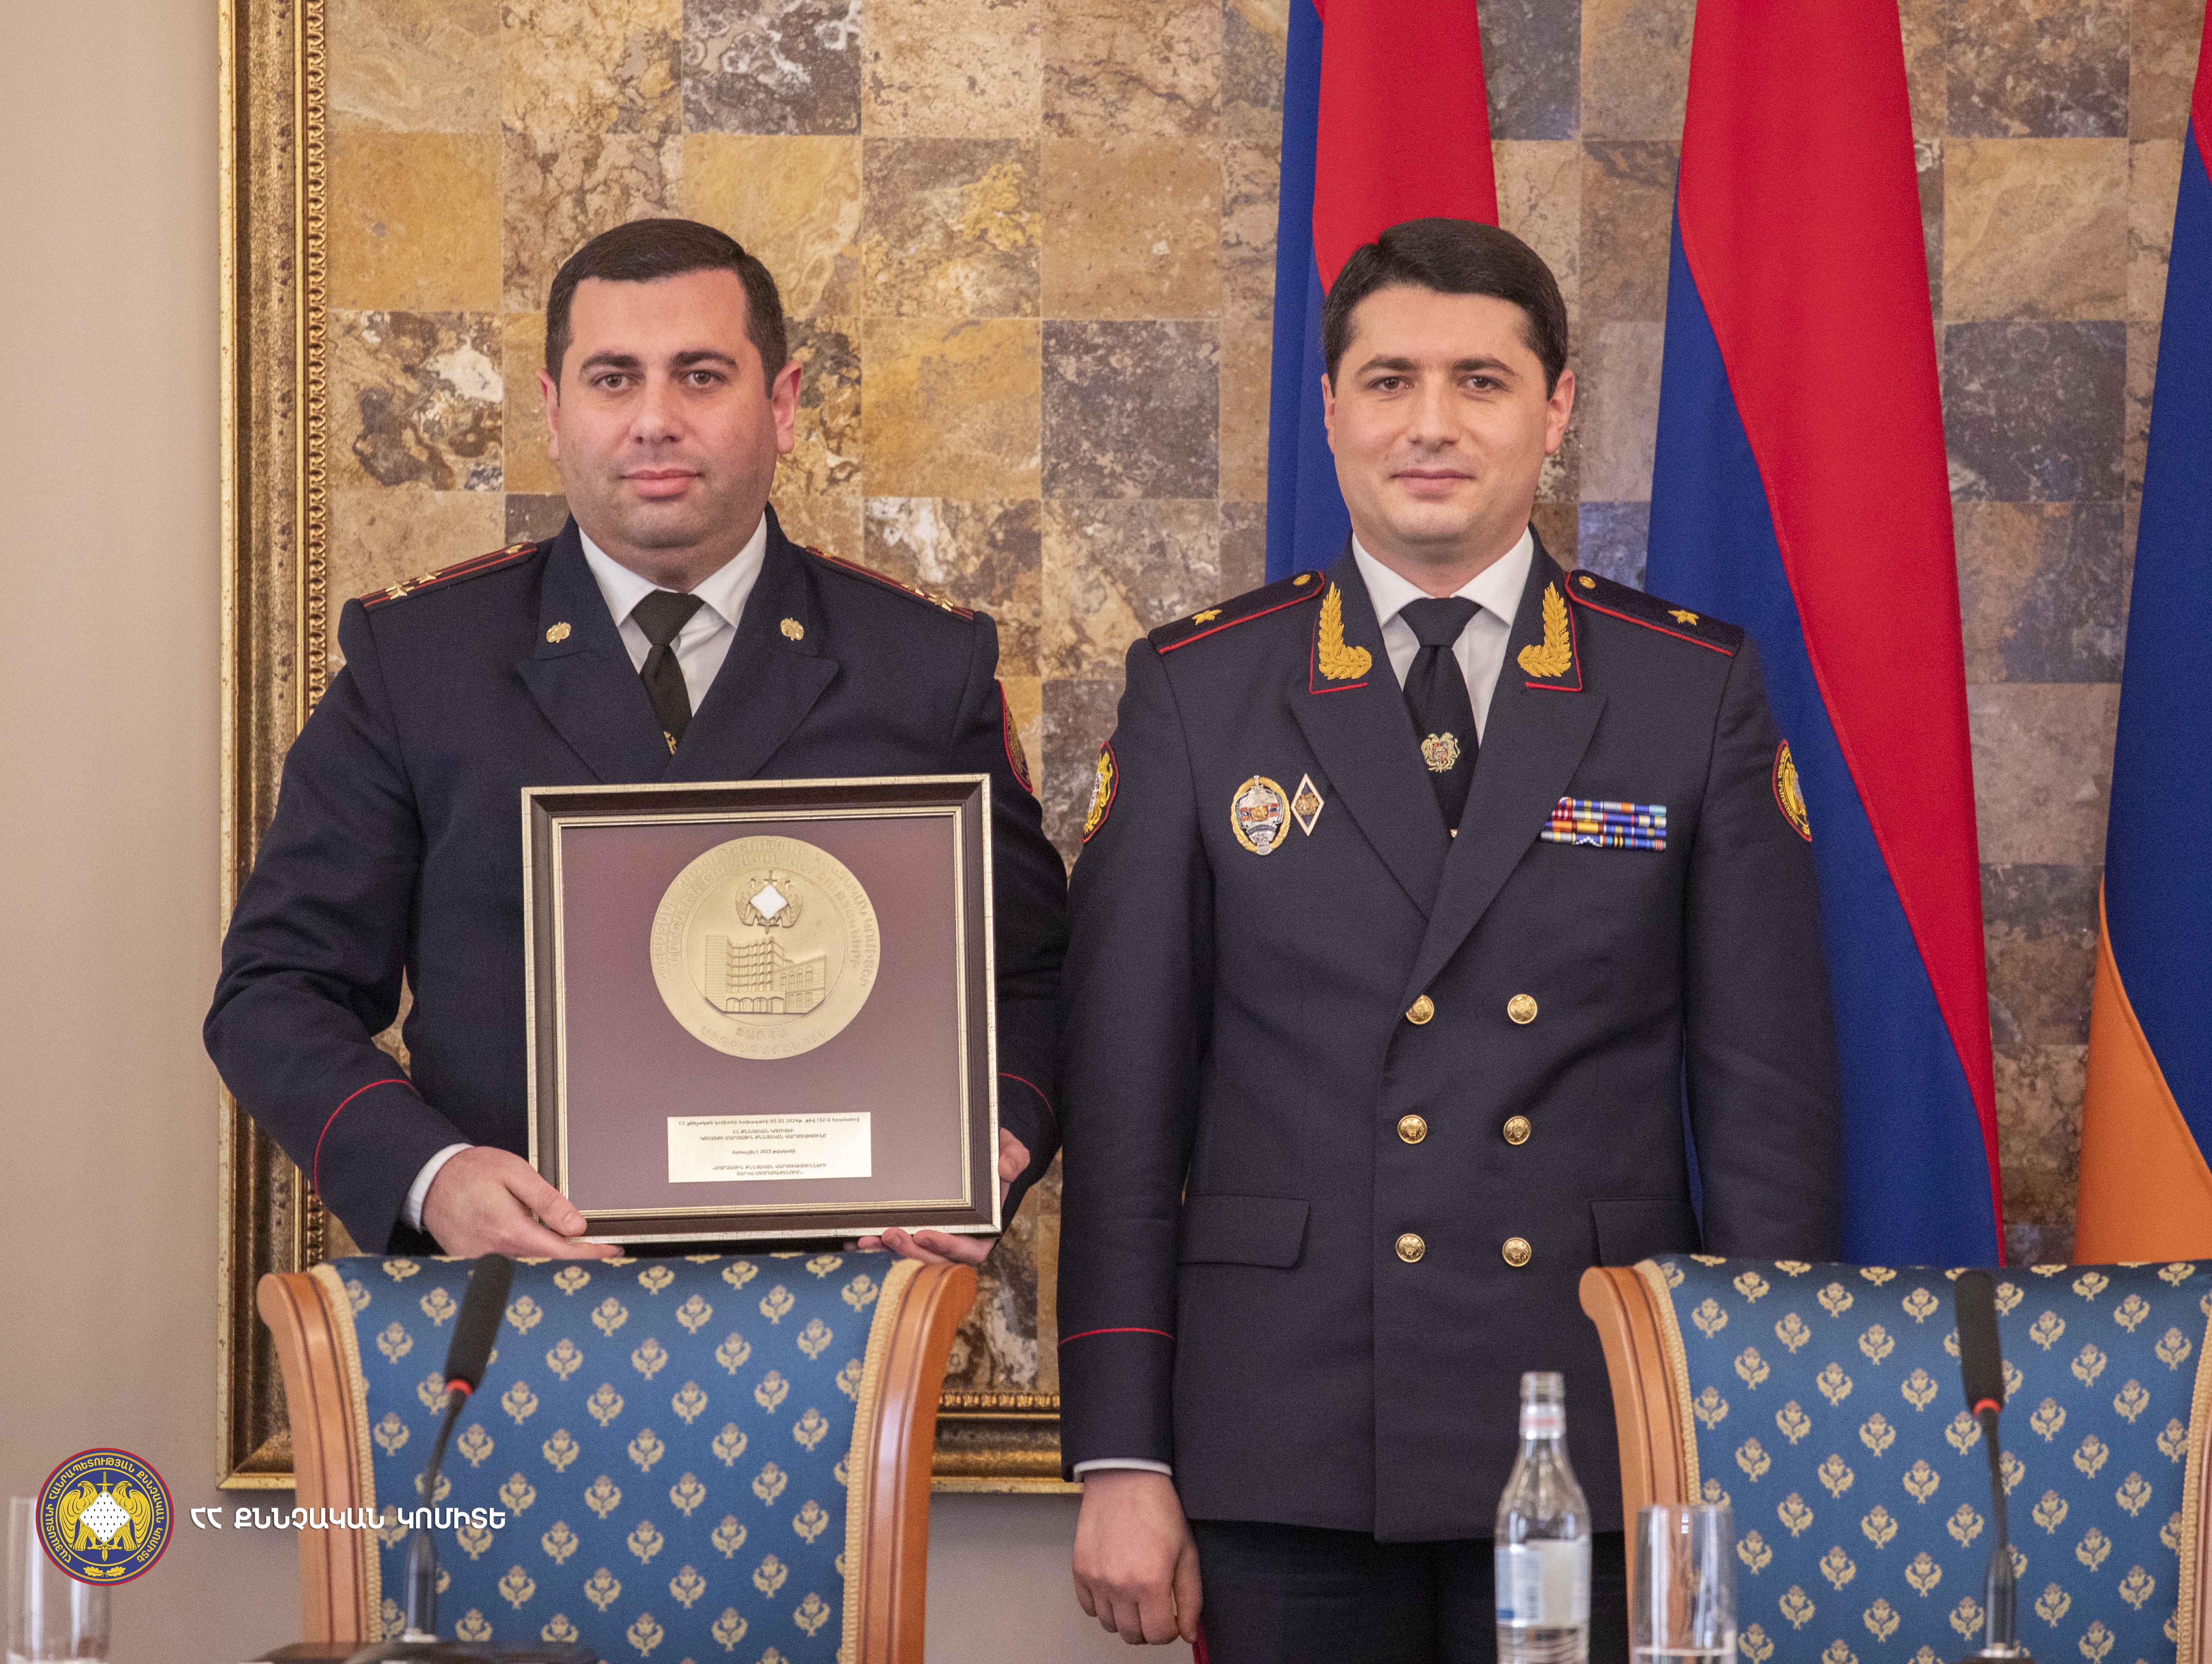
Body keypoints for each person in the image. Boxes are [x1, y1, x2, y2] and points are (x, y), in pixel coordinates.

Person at [1056, 217, 1841, 1661]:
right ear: (1332, 411)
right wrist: (1120, 1450)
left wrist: (1757, 1437)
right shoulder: (1199, 689)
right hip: (1282, 1430)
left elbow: (1769, 1115)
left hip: (1595, 1425)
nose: (1431, 424)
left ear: (1555, 409)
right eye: (1390, 380)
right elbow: (1123, 1102)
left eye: (1481, 381)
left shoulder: (1687, 689)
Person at [206, 218, 1064, 1265]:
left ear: (783, 405)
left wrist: (987, 1148)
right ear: (553, 412)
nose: (656, 420)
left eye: (701, 376)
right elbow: (278, 988)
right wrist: (433, 1178)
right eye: (614, 380)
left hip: (838, 1300)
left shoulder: (923, 668)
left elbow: (1032, 982)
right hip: (518, 1304)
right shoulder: (420, 665)